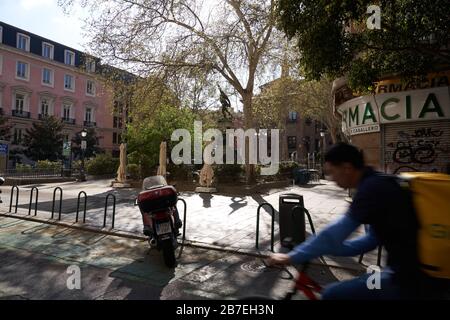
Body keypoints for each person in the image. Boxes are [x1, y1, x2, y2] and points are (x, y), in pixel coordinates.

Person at [268, 142, 444, 299]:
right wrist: (332, 249)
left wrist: (291, 256)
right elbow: (370, 241)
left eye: (331, 172)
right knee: (361, 284)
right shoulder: (379, 181)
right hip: (410, 273)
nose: (332, 179)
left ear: (346, 167)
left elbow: (334, 233)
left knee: (332, 293)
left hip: (408, 279)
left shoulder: (370, 189)